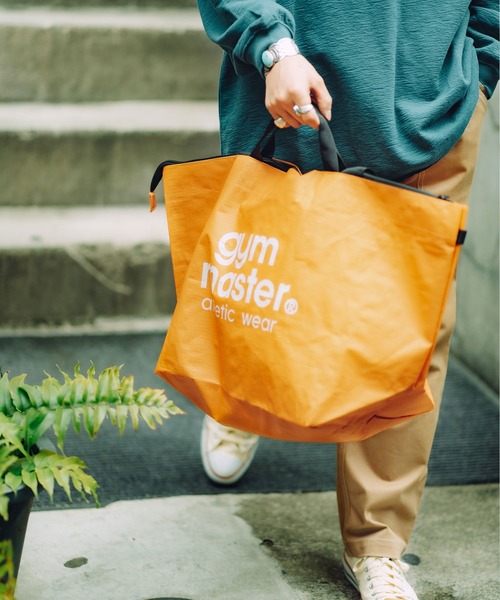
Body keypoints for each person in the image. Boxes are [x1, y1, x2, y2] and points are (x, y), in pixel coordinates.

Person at [195, 1, 499, 598]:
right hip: (289, 88)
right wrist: (270, 45)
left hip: (436, 110)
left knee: (408, 332)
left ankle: (377, 544)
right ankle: (247, 395)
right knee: (272, 292)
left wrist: (481, 72)